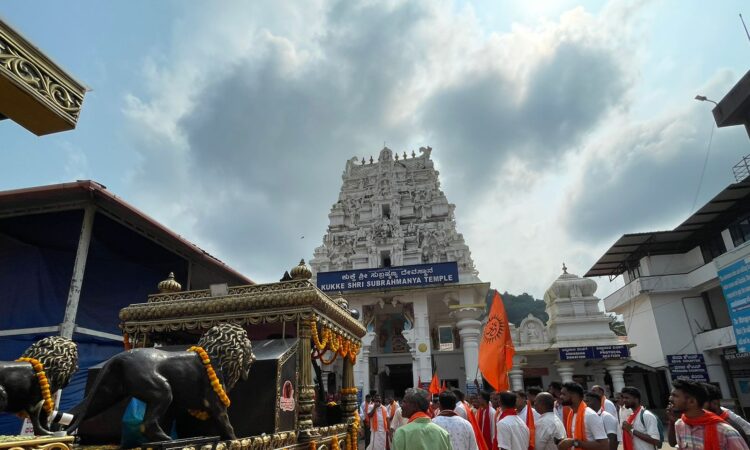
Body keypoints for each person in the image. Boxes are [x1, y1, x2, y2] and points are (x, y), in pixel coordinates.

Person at [671, 378, 749, 450]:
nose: (670, 399)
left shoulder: (725, 432)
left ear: (692, 401)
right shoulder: (679, 425)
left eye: (675, 396)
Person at [557, 382, 608, 450]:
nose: (561, 397)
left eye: (563, 394)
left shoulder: (590, 415)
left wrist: (574, 443)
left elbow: (604, 446)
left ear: (574, 395)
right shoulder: (571, 414)